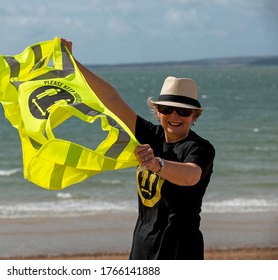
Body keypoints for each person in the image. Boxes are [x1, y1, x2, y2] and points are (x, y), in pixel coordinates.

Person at [62, 39, 215, 260]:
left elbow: (190, 176)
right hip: (143, 243)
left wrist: (157, 164)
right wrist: (72, 62)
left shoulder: (199, 147)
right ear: (158, 111)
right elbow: (110, 98)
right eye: (167, 109)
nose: (174, 116)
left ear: (194, 116)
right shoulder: (149, 135)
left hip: (179, 248)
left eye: (183, 112)